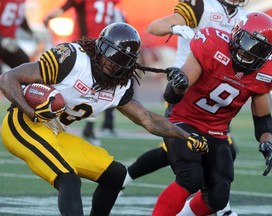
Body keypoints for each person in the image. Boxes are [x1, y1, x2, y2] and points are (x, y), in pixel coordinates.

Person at [0, 22, 208, 216]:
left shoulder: (119, 85)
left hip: (55, 131)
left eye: (118, 61)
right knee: (68, 179)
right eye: (109, 55)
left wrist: (184, 135)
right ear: (99, 47)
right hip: (23, 124)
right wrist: (30, 111)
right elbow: (8, 78)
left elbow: (148, 119)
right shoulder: (72, 59)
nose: (110, 63)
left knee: (116, 175)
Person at [151, 11, 272, 216]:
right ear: (237, 34)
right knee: (191, 177)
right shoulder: (212, 45)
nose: (249, 52)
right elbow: (173, 93)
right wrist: (178, 85)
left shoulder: (268, 72)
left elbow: (263, 120)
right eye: (248, 42)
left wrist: (266, 141)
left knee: (219, 196)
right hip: (183, 121)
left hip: (217, 132)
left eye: (258, 48)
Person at [123, 0, 248, 215]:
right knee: (202, 150)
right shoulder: (201, 6)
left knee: (189, 149)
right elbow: (154, 27)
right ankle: (222, 207)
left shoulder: (244, 16)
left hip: (217, 89)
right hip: (187, 87)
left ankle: (124, 177)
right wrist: (175, 28)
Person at [44, 0, 123, 145]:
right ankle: (51, 116)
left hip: (98, 47)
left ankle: (90, 127)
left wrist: (50, 17)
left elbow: (66, 7)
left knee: (99, 87)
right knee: (74, 84)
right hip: (87, 46)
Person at [0, 0, 35, 74]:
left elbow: (18, 15)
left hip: (9, 43)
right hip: (4, 41)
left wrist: (31, 33)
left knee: (27, 68)